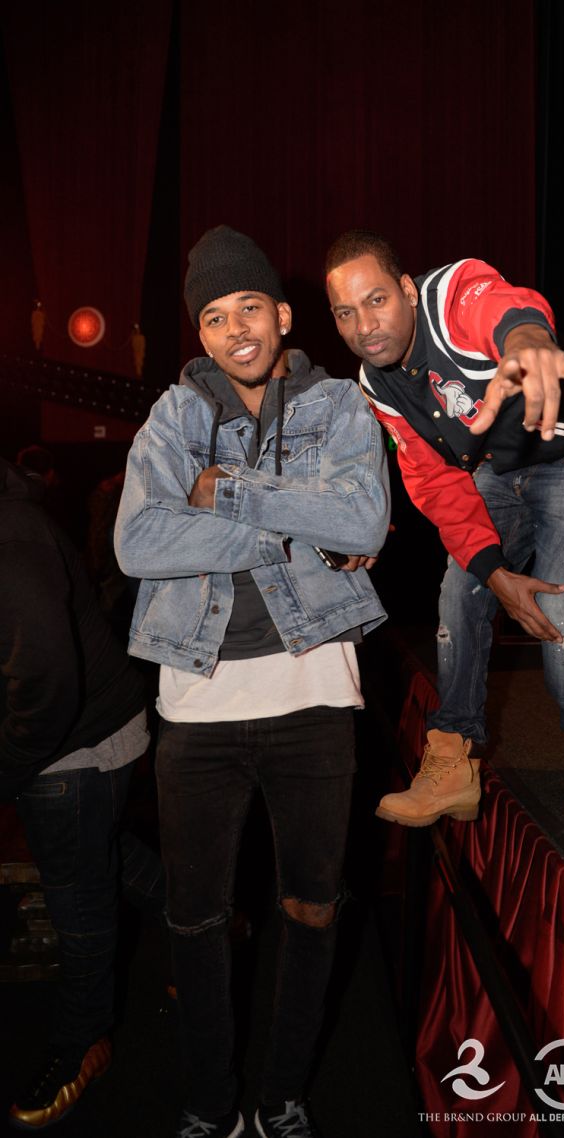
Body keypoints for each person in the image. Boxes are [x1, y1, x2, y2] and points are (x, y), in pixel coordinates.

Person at [115, 225, 390, 1138]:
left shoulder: (339, 408)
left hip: (315, 699)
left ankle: (281, 1095)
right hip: (196, 710)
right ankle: (208, 1102)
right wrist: (294, 523)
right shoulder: (171, 418)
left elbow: (365, 521)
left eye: (248, 308)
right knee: (195, 923)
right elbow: (137, 543)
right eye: (212, 315)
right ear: (201, 334)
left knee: (313, 912)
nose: (234, 328)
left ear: (281, 314)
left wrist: (224, 494)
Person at [325, 230, 564, 830]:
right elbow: (438, 486)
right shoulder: (377, 385)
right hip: (506, 465)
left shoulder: (451, 298)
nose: (364, 324)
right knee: (459, 592)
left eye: (377, 300)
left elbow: (502, 306)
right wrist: (494, 574)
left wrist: (525, 339)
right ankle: (454, 759)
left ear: (407, 291)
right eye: (345, 312)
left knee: (562, 608)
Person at [0, 457, 165, 1131]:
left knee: (80, 898)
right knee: (98, 857)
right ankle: (207, 911)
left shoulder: (9, 537)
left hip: (75, 743)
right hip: (77, 731)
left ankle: (81, 1043)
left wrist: (4, 769)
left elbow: (46, 686)